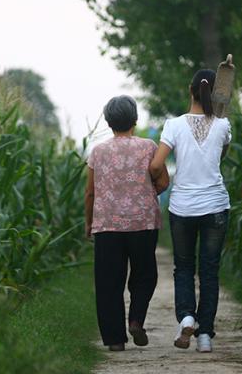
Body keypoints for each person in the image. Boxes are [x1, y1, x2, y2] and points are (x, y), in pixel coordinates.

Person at [149, 69, 231, 353]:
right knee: (209, 271)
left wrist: (162, 182)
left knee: (184, 267)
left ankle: (186, 317)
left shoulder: (173, 125)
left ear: (190, 90)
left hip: (182, 207)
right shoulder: (223, 125)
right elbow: (221, 156)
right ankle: (205, 335)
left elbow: (156, 165)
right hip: (216, 207)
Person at [85, 95, 169, 352]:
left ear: (109, 122)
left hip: (107, 224)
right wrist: (145, 192)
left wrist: (89, 223)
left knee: (109, 282)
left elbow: (90, 193)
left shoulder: (98, 152)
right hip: (142, 222)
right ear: (135, 119)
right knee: (145, 275)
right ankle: (135, 320)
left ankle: (115, 341)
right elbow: (164, 181)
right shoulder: (148, 147)